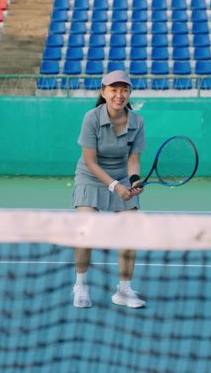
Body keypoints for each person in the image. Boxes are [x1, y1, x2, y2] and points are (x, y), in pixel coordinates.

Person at [71, 70, 146, 309]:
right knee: (86, 229)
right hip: (91, 177)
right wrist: (114, 187)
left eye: (124, 90)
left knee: (131, 230)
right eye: (113, 90)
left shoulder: (137, 121)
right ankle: (81, 285)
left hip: (122, 176)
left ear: (129, 93)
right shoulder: (91, 118)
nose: (119, 95)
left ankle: (123, 290)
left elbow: (133, 159)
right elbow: (90, 162)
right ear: (104, 92)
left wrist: (134, 180)